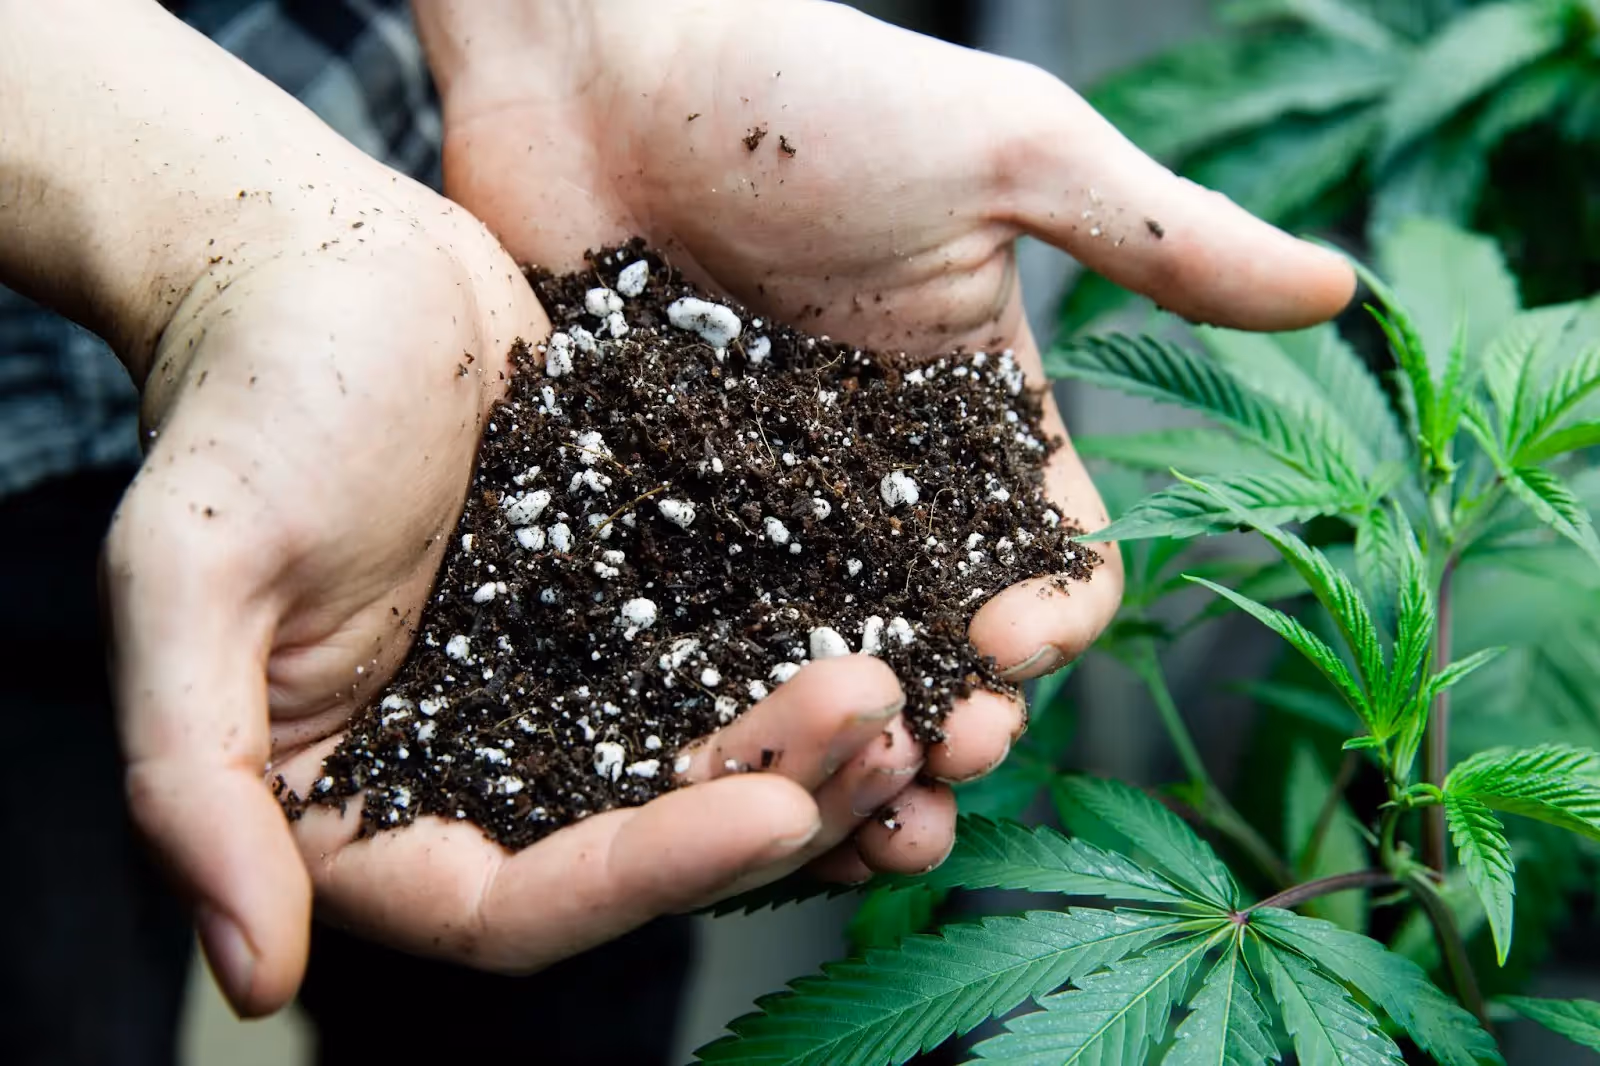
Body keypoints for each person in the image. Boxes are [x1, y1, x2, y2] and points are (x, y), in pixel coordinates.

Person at [0, 0, 1354, 1060]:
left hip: (452, 190)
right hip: (58, 404)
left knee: (568, 984)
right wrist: (194, 217)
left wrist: (585, 26)